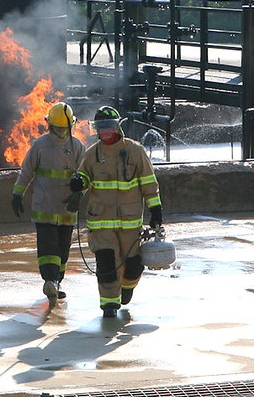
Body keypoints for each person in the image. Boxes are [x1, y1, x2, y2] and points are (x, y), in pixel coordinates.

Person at [70, 105, 163, 318]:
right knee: (106, 264)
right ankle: (109, 306)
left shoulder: (135, 151)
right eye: (101, 128)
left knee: (132, 266)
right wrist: (79, 182)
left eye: (109, 127)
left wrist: (156, 210)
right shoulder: (92, 154)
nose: (106, 132)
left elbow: (149, 184)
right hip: (100, 223)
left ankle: (128, 286)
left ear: (117, 127)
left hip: (129, 224)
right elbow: (85, 176)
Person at [11, 102, 86, 308]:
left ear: (70, 127)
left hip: (66, 210)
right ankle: (49, 280)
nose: (61, 132)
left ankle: (57, 281)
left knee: (63, 248)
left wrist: (79, 194)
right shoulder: (40, 145)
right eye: (58, 128)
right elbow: (26, 171)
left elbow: (86, 175)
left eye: (65, 128)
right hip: (44, 207)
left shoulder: (77, 147)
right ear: (50, 125)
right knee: (48, 245)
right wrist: (17, 193)